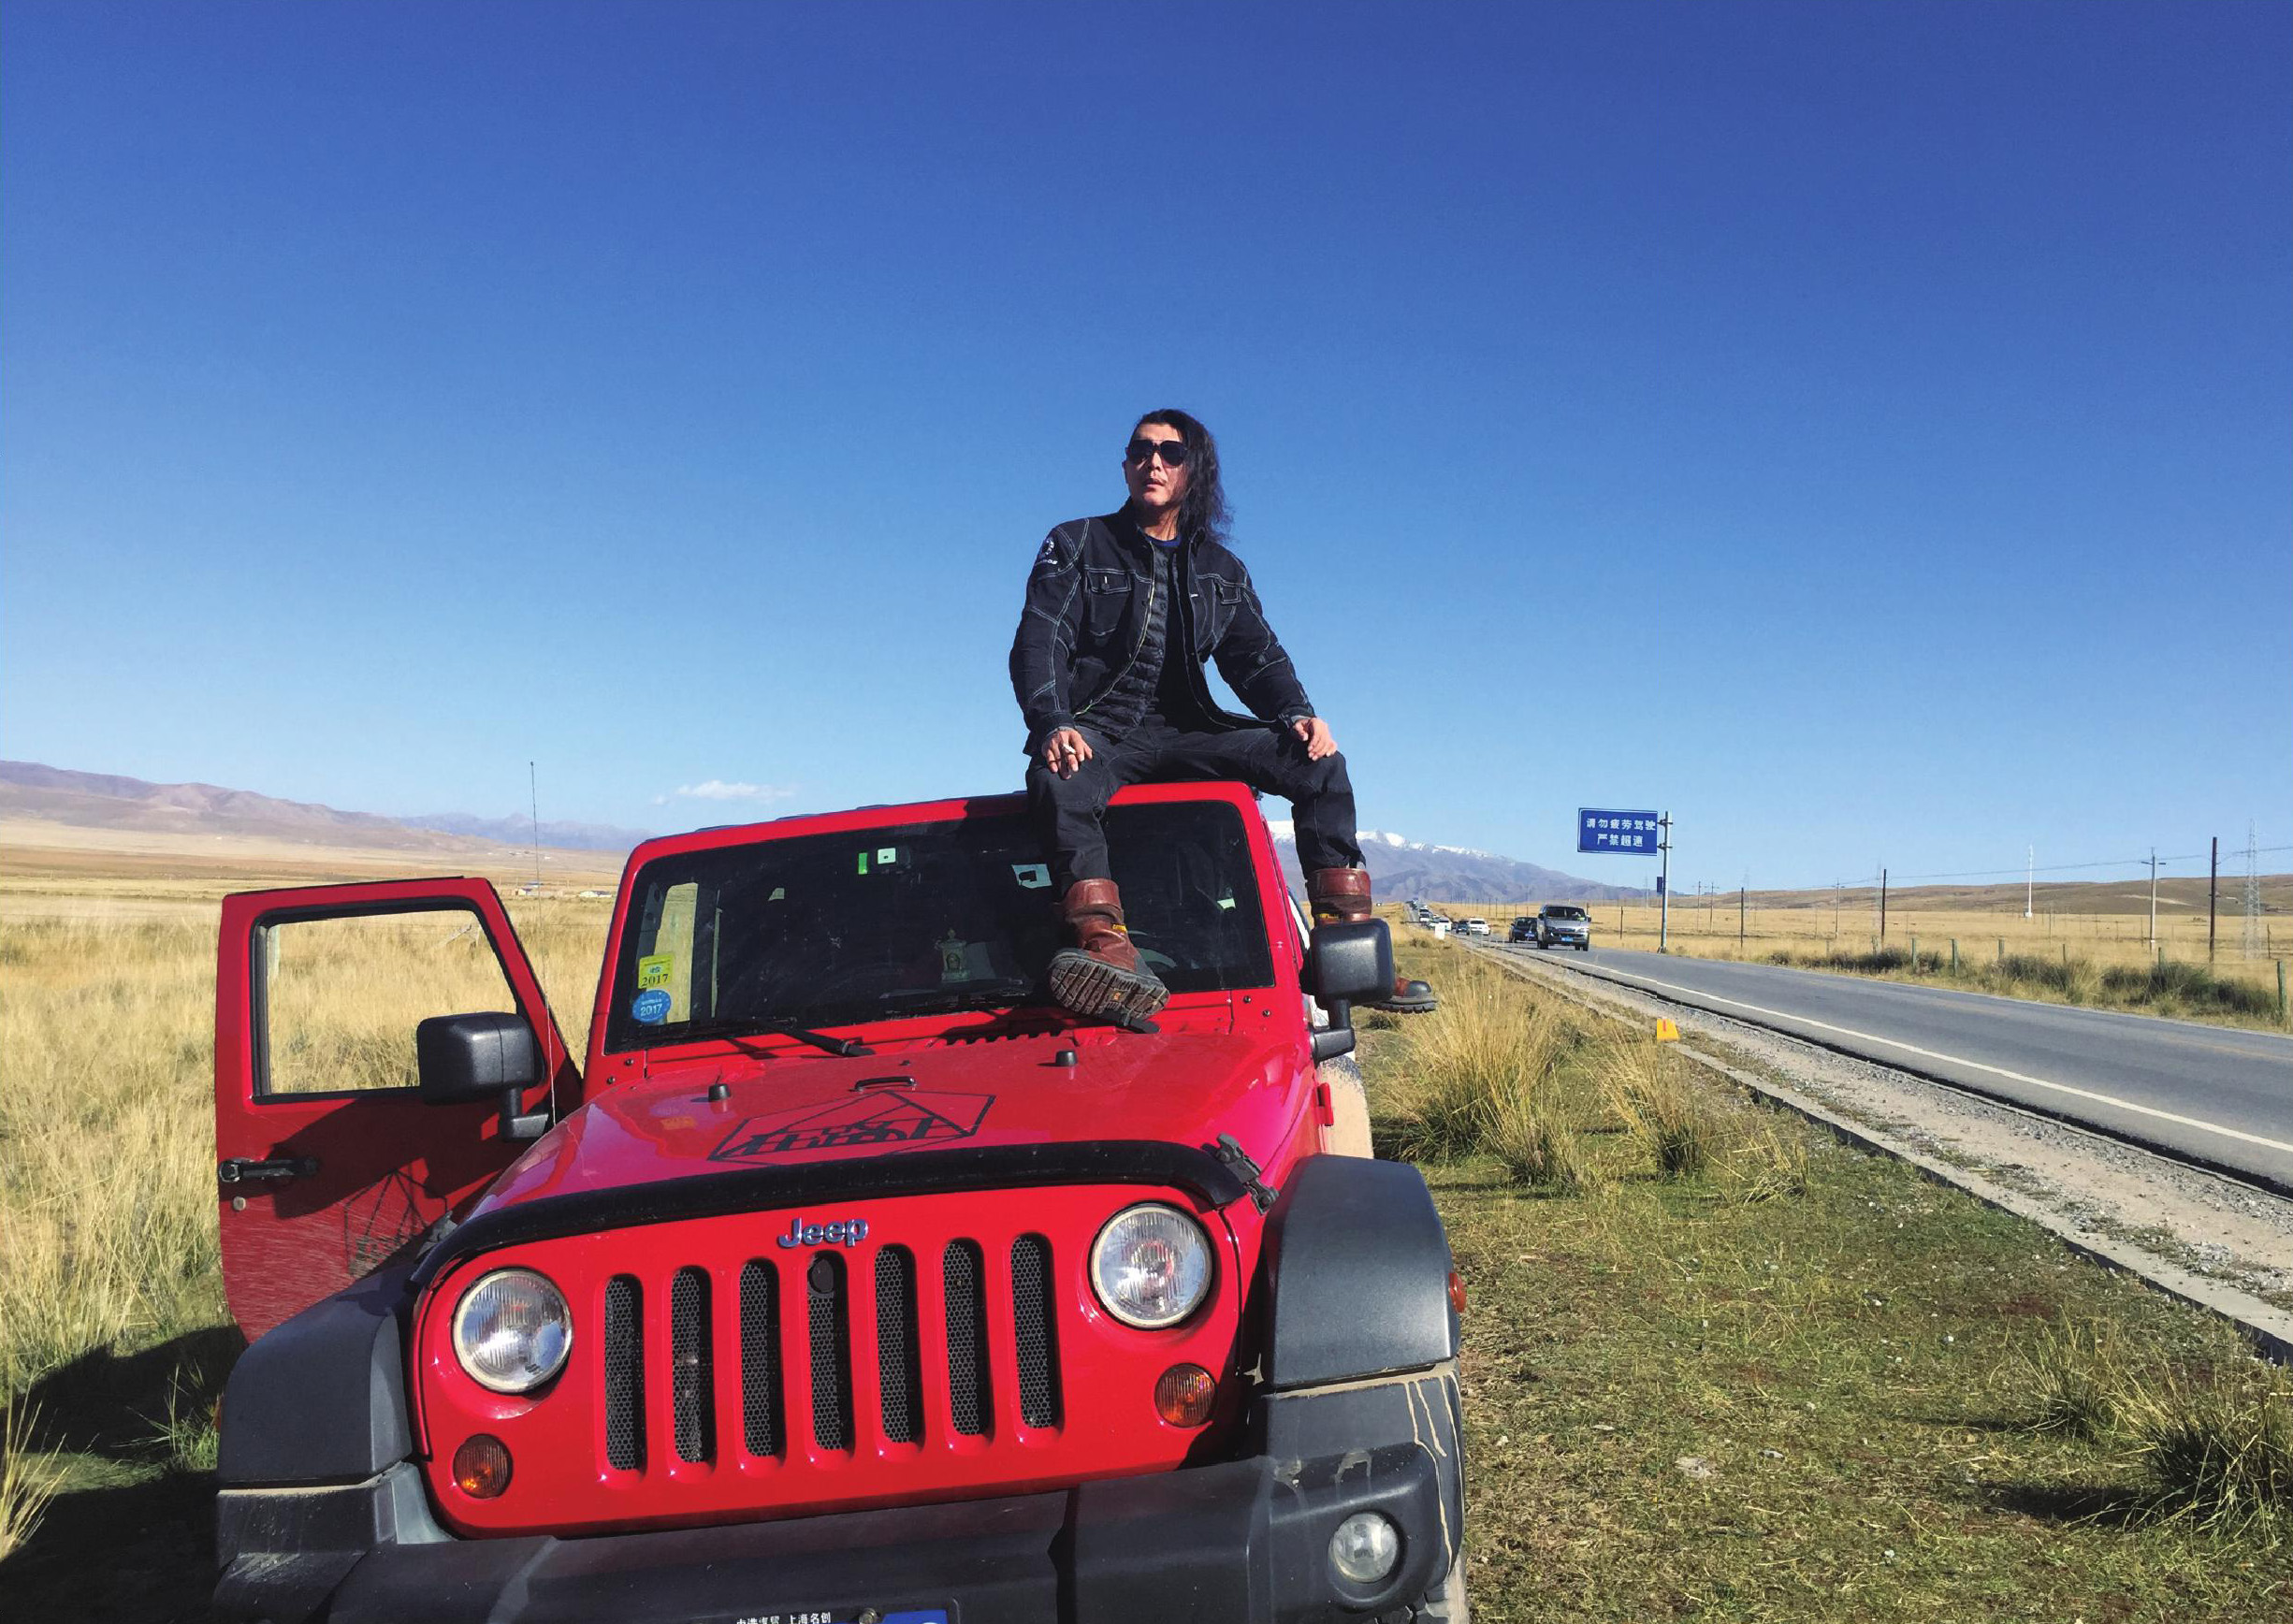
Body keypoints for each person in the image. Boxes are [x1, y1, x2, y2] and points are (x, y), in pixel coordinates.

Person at [1008, 408, 1437, 1022]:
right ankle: (1105, 947)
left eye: (1170, 453)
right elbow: (1041, 636)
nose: (1152, 462)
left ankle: (1344, 955)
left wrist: (1298, 714)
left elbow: (1256, 658)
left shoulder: (1221, 569)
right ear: (1125, 466)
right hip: (1102, 731)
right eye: (1139, 450)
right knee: (1060, 776)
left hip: (1192, 731)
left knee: (1320, 766)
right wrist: (1053, 721)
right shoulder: (1076, 543)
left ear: (1195, 470)